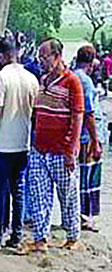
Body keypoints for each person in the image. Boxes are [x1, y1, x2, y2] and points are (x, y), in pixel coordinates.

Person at [28, 38, 85, 254]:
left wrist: (71, 149)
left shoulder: (72, 81)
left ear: (57, 56)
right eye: (40, 57)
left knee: (68, 196)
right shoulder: (43, 80)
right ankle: (40, 239)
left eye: (45, 56)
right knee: (39, 195)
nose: (41, 60)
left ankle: (72, 236)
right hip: (40, 149)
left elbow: (78, 116)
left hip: (62, 151)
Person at [0, 36, 40, 249]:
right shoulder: (31, 78)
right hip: (22, 144)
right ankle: (16, 235)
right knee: (18, 189)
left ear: (3, 55)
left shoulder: (0, 78)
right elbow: (35, 115)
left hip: (2, 145)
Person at [74, 45, 104, 232]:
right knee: (89, 176)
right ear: (92, 61)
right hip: (86, 136)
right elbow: (89, 114)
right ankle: (86, 216)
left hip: (80, 136)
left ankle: (79, 214)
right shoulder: (84, 81)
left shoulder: (73, 76)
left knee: (80, 176)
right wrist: (95, 140)